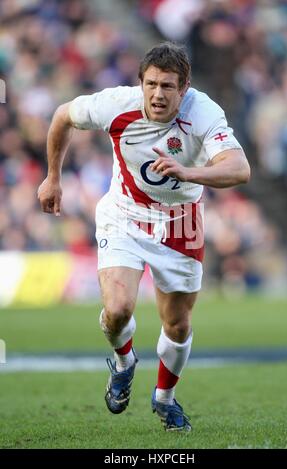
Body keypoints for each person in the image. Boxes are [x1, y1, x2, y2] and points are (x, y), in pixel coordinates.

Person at [38, 42, 250, 432]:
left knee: (178, 325)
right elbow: (61, 116)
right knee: (117, 309)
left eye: (168, 86)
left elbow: (239, 168)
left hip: (180, 222)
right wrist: (53, 177)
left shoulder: (203, 112)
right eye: (151, 84)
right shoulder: (116, 104)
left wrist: (189, 173)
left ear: (184, 88)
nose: (157, 94)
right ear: (140, 82)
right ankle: (123, 363)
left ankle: (165, 399)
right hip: (125, 217)